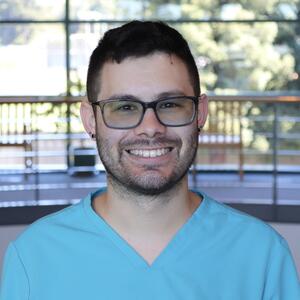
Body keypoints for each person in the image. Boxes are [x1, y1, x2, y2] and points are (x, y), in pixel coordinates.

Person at [0, 21, 299, 300]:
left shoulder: (263, 256)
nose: (151, 128)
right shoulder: (33, 257)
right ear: (91, 120)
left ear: (201, 113)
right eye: (125, 107)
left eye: (170, 104)